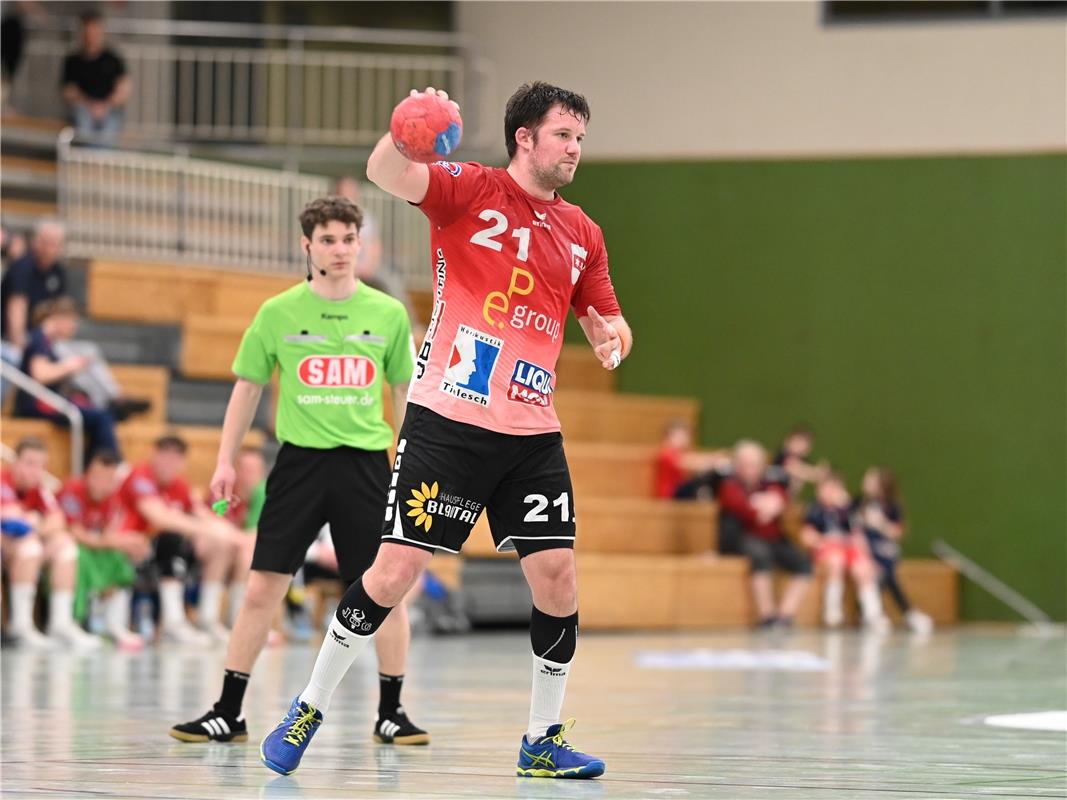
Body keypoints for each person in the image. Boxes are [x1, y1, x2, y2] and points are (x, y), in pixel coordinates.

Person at [258, 82, 631, 780]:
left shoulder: (583, 232)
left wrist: (613, 336)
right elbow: (385, 173)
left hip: (531, 428)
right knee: (394, 571)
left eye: (580, 136)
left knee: (558, 577)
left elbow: (604, 315)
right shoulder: (469, 188)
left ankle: (541, 739)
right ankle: (308, 706)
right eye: (562, 135)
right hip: (449, 419)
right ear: (524, 137)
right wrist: (408, 130)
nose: (575, 147)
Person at [170, 195, 428, 748]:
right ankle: (229, 712)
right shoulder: (278, 313)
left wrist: (410, 465)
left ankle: (392, 711)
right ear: (306, 245)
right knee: (263, 586)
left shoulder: (386, 314)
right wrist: (222, 461)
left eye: (349, 239)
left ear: (362, 244)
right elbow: (247, 387)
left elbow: (404, 393)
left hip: (366, 465)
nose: (340, 250)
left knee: (386, 591)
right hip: (299, 464)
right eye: (329, 240)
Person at [113, 435, 241, 644]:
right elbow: (159, 518)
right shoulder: (140, 476)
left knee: (221, 545)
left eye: (175, 457)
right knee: (172, 540)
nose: (169, 462)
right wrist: (208, 530)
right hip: (132, 548)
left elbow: (202, 514)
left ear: (182, 462)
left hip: (160, 552)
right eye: (164, 455)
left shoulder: (179, 484)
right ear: (153, 454)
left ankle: (207, 619)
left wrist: (234, 536)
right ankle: (172, 623)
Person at [0, 436, 101, 648]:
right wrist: (32, 523)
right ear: (16, 463)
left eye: (41, 465)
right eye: (30, 463)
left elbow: (58, 519)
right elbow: (9, 519)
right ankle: (20, 626)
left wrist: (34, 524)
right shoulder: (3, 482)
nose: (35, 471)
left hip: (20, 547)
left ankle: (61, 624)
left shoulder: (40, 489)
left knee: (65, 546)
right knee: (30, 547)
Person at [59, 448, 149, 649]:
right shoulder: (73, 490)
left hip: (94, 547)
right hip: (73, 548)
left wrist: (127, 542)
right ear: (89, 474)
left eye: (110, 479)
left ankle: (114, 623)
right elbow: (77, 534)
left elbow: (108, 534)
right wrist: (118, 541)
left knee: (119, 558)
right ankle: (72, 622)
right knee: (78, 556)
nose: (104, 483)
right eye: (99, 477)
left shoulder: (112, 498)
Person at [717, 440, 811, 628]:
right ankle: (766, 615)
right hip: (742, 538)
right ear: (737, 465)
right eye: (746, 464)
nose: (751, 469)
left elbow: (780, 500)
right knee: (761, 556)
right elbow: (742, 508)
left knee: (803, 563)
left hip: (772, 537)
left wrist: (767, 504)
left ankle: (785, 614)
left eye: (755, 465)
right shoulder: (730, 485)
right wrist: (762, 507)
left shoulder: (770, 482)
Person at [14, 297, 121, 459]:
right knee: (101, 418)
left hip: (50, 401)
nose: (74, 327)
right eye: (72, 322)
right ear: (60, 318)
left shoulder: (47, 340)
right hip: (39, 404)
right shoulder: (40, 339)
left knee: (101, 414)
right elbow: (40, 374)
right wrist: (69, 366)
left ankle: (98, 465)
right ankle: (112, 463)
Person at [800, 472, 888, 631]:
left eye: (835, 489)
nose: (830, 493)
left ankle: (873, 614)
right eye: (826, 488)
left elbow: (857, 535)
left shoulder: (847, 511)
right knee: (836, 561)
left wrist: (867, 557)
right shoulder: (815, 509)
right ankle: (832, 611)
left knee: (862, 569)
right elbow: (807, 535)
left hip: (848, 548)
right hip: (828, 550)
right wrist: (822, 541)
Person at [855, 467, 933, 634]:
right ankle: (902, 612)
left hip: (884, 551)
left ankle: (873, 613)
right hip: (865, 551)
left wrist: (881, 523)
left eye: (870, 479)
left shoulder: (891, 506)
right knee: (881, 575)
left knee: (885, 574)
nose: (865, 481)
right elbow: (853, 530)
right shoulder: (859, 503)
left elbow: (898, 532)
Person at [60, 11, 130, 147]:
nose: (91, 36)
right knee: (83, 121)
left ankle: (94, 161)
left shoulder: (113, 59)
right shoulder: (73, 61)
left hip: (109, 109)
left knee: (110, 127)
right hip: (83, 108)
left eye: (94, 31)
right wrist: (89, 105)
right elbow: (68, 91)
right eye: (88, 32)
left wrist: (105, 106)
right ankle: (96, 161)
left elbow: (124, 88)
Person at [1, 219, 67, 350]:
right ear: (37, 242)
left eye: (58, 244)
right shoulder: (22, 267)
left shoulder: (58, 271)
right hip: (8, 340)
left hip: (40, 339)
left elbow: (59, 310)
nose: (54, 249)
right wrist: (19, 347)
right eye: (50, 243)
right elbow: (16, 309)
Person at [653, 419, 729, 499]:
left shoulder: (680, 452)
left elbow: (693, 459)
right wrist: (713, 460)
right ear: (671, 435)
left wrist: (713, 458)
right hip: (671, 494)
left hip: (679, 491)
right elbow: (688, 464)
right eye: (682, 435)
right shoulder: (666, 453)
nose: (686, 439)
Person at [773, 425, 828, 497]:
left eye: (804, 444)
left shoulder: (802, 461)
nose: (799, 447)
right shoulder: (783, 456)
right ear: (787, 442)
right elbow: (794, 469)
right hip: (772, 492)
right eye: (797, 442)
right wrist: (816, 473)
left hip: (785, 497)